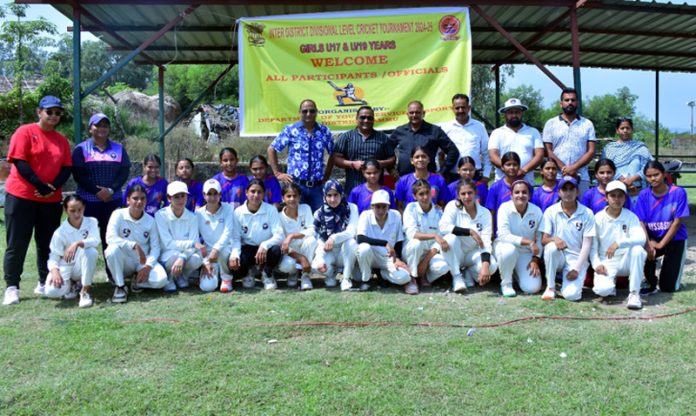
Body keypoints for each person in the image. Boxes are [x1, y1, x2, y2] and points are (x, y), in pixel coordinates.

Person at [3, 96, 73, 306]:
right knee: (17, 243)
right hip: (21, 196)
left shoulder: (61, 140)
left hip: (50, 200)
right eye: (49, 111)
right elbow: (20, 162)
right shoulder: (25, 132)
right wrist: (40, 186)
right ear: (39, 112)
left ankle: (45, 281)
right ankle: (12, 287)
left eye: (57, 113)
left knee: (47, 243)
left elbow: (66, 168)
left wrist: (50, 189)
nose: (53, 116)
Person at [72, 113, 131, 261]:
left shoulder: (119, 148)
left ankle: (112, 272)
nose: (102, 128)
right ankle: (83, 274)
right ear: (90, 129)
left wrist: (110, 190)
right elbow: (79, 175)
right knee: (85, 236)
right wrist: (97, 191)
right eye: (97, 125)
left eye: (105, 126)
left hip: (112, 200)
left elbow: (124, 173)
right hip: (88, 200)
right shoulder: (81, 149)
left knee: (111, 236)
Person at [105, 184, 169, 304]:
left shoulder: (150, 221)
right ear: (128, 199)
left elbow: (155, 247)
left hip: (142, 261)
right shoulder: (118, 214)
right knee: (111, 250)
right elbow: (110, 238)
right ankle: (120, 286)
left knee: (161, 280)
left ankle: (137, 279)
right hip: (123, 260)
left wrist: (148, 266)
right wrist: (133, 245)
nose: (139, 202)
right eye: (135, 198)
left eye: (142, 198)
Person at [634, 161, 690, 294]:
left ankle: (668, 277)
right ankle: (649, 281)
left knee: (668, 288)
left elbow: (677, 223)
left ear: (664, 174)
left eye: (656, 174)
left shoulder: (678, 192)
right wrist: (648, 243)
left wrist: (661, 245)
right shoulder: (643, 195)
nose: (653, 178)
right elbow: (640, 222)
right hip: (652, 238)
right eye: (649, 176)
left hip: (675, 239)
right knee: (642, 252)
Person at [268, 99, 334, 212]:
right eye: (305, 111)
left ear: (316, 112)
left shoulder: (324, 131)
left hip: (317, 187)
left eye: (312, 111)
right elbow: (272, 149)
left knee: (318, 221)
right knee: (296, 219)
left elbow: (333, 154)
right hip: (296, 186)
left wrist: (326, 175)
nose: (308, 114)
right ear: (299, 112)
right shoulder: (291, 130)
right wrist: (277, 173)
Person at [591, 180, 646, 310]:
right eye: (613, 195)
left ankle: (634, 294)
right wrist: (596, 264)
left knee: (638, 250)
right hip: (606, 260)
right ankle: (611, 283)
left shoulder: (631, 217)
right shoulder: (597, 218)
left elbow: (641, 238)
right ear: (606, 197)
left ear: (625, 198)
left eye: (620, 195)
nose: (616, 199)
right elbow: (592, 247)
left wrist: (619, 243)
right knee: (602, 290)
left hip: (626, 260)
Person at [540, 176, 596, 302]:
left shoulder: (587, 213)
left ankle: (569, 282)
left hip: (576, 258)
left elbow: (587, 244)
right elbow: (544, 240)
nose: (568, 193)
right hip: (558, 256)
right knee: (550, 248)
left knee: (572, 296)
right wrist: (554, 239)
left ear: (578, 192)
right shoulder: (551, 211)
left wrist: (576, 268)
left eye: (572, 189)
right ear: (559, 192)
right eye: (564, 189)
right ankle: (550, 287)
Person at [43, 195, 99, 308]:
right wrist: (54, 271)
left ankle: (85, 291)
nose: (77, 214)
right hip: (66, 266)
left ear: (84, 208)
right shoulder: (60, 232)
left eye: (80, 210)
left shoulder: (92, 222)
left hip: (83, 263)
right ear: (65, 210)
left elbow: (95, 241)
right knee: (51, 292)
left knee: (91, 251)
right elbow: (53, 256)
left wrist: (77, 243)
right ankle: (72, 285)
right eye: (72, 211)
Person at [229, 179, 284, 290]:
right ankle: (249, 272)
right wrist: (234, 254)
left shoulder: (271, 210)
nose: (256, 195)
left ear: (264, 194)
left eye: (259, 192)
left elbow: (279, 235)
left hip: (265, 250)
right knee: (235, 262)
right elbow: (235, 238)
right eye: (252, 191)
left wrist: (265, 245)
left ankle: (267, 273)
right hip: (247, 248)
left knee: (276, 250)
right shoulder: (238, 212)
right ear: (246, 193)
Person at [355, 190, 413, 293]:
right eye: (377, 206)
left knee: (405, 277)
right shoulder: (365, 215)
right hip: (371, 255)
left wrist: (398, 259)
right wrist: (385, 243)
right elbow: (360, 238)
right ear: (372, 206)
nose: (381, 211)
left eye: (384, 207)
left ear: (388, 207)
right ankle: (366, 280)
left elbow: (399, 240)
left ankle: (381, 274)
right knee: (363, 248)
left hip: (388, 258)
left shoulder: (396, 216)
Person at [543, 88, 597, 195]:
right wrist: (564, 169)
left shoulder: (587, 124)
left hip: (581, 177)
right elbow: (547, 150)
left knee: (581, 209)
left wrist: (574, 168)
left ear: (577, 103)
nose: (570, 103)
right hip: (557, 176)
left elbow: (591, 151)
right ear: (561, 103)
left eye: (573, 100)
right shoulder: (551, 123)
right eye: (566, 100)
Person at [494, 180, 543, 297]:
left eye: (524, 192)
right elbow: (503, 235)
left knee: (532, 288)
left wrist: (535, 259)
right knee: (509, 250)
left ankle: (515, 274)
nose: (520, 195)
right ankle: (506, 283)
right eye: (517, 192)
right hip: (504, 247)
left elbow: (540, 238)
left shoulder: (536, 211)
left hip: (525, 252)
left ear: (529, 195)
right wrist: (529, 242)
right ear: (511, 195)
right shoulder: (504, 208)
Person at [154, 181, 204, 292]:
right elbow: (168, 244)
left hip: (183, 255)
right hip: (167, 254)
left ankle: (182, 276)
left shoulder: (192, 217)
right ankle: (169, 277)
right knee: (174, 255)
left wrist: (183, 257)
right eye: (176, 197)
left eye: (183, 196)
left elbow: (195, 244)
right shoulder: (160, 215)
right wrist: (190, 244)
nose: (181, 200)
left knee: (198, 257)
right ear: (168, 198)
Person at [388, 100, 459, 179]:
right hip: (404, 179)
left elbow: (453, 151)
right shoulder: (400, 131)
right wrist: (391, 169)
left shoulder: (434, 131)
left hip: (428, 180)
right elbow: (386, 150)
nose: (414, 115)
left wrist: (442, 172)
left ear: (423, 113)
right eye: (411, 113)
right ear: (407, 114)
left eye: (418, 112)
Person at [332, 106, 395, 191]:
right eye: (363, 117)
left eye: (369, 118)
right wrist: (352, 164)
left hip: (377, 190)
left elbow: (392, 158)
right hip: (353, 187)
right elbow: (335, 158)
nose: (366, 120)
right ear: (356, 119)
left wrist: (380, 164)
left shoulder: (383, 138)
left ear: (373, 120)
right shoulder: (347, 137)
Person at [402, 180, 451, 290]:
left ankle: (424, 277)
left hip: (430, 253)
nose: (425, 197)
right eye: (421, 194)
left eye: (427, 193)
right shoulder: (410, 208)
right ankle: (412, 278)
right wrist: (434, 235)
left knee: (443, 267)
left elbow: (440, 240)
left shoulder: (439, 212)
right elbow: (412, 234)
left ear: (431, 193)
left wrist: (425, 261)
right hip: (412, 252)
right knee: (416, 244)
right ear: (414, 196)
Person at [312, 179, 360, 291]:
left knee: (351, 242)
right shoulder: (319, 213)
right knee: (316, 266)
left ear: (341, 194)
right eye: (329, 195)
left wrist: (334, 237)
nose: (332, 199)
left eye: (336, 195)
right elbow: (319, 240)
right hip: (329, 251)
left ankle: (346, 278)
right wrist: (320, 258)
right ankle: (330, 274)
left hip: (346, 251)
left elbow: (352, 231)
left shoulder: (352, 208)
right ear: (324, 196)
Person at [488, 98, 543, 184]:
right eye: (510, 112)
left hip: (526, 182)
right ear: (505, 114)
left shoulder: (533, 132)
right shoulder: (497, 133)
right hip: (502, 183)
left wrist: (524, 170)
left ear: (522, 113)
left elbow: (539, 155)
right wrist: (509, 170)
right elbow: (492, 156)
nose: (514, 115)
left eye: (517, 112)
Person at [441, 93, 492, 184]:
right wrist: (441, 172)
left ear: (468, 108)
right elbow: (439, 153)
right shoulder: (445, 128)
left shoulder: (479, 126)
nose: (460, 110)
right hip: (452, 176)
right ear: (452, 109)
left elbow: (486, 153)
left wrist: (486, 175)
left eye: (463, 107)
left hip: (475, 175)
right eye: (457, 108)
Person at [196, 179, 235, 293]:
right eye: (209, 194)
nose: (212, 197)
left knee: (222, 251)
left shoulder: (228, 209)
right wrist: (205, 261)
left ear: (220, 194)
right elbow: (195, 239)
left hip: (225, 249)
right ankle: (210, 273)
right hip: (208, 252)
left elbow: (228, 232)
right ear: (204, 195)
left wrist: (216, 249)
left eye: (215, 194)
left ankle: (226, 278)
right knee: (207, 287)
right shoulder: (198, 214)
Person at [277, 183, 318, 290]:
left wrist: (291, 236)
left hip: (305, 248)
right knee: (287, 265)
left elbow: (312, 230)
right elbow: (282, 243)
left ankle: (305, 276)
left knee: (311, 240)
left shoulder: (305, 208)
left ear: (300, 197)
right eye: (288, 196)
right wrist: (300, 258)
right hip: (290, 252)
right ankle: (293, 273)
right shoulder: (279, 217)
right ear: (283, 198)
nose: (292, 199)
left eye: (295, 196)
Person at [601, 117, 653, 199]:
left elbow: (648, 167)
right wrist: (621, 179)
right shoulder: (609, 148)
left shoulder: (640, 147)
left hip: (636, 189)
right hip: (614, 189)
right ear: (617, 130)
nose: (625, 130)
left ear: (632, 130)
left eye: (627, 128)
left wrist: (631, 180)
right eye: (622, 128)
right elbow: (604, 167)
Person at [394, 147, 449, 211]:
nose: (420, 159)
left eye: (423, 156)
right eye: (417, 157)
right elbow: (399, 206)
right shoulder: (403, 181)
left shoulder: (439, 180)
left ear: (428, 159)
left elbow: (443, 204)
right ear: (412, 161)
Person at [485, 151, 523, 225]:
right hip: (500, 230)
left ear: (519, 167)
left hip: (520, 229)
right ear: (502, 167)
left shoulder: (525, 186)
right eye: (508, 164)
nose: (511, 167)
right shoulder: (495, 187)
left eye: (515, 164)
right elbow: (490, 211)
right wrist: (491, 231)